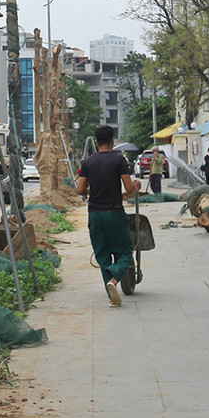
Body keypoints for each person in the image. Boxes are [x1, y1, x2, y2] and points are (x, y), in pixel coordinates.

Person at [76, 124, 141, 308]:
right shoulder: (119, 160)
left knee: (102, 254)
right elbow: (128, 189)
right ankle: (114, 280)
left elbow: (80, 190)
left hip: (95, 214)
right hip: (114, 212)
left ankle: (112, 298)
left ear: (96, 142)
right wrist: (136, 185)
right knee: (125, 251)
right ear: (113, 141)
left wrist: (93, 190)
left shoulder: (87, 163)